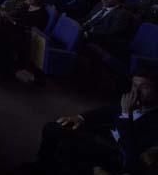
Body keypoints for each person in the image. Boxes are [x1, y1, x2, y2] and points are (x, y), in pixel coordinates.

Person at [30, 69, 158, 175]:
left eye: (144, 87)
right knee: (52, 127)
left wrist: (126, 114)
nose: (136, 91)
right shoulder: (134, 101)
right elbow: (108, 110)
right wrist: (80, 117)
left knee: (67, 145)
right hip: (102, 135)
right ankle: (42, 166)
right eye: (134, 85)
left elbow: (131, 149)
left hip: (115, 152)